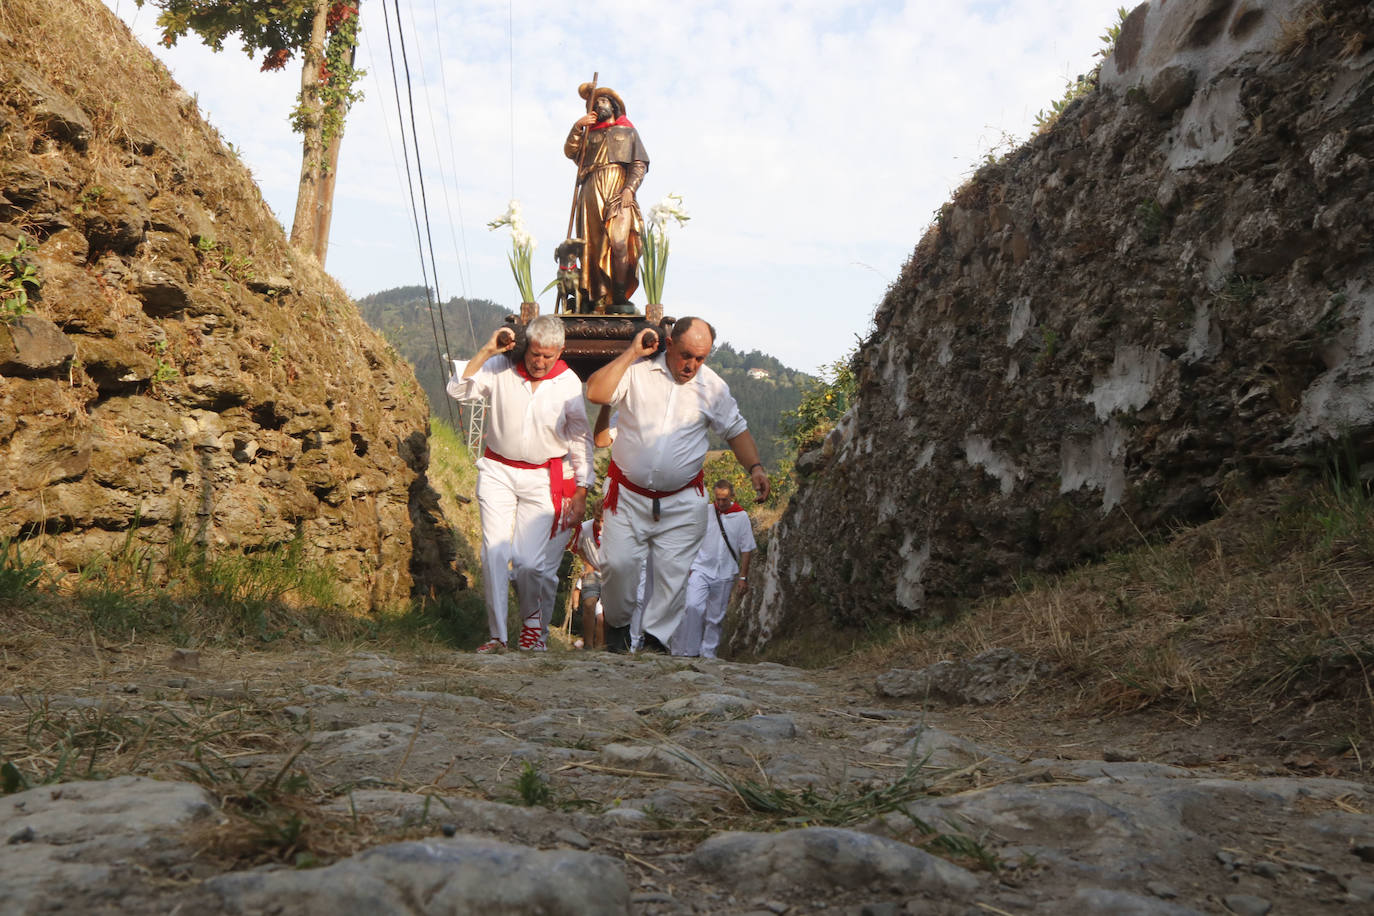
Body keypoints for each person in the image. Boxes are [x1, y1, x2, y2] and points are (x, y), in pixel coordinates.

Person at [585, 316, 769, 654]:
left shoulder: (712, 388)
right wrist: (630, 354)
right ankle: (618, 627)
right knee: (619, 564)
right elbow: (595, 392)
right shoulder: (637, 372)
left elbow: (736, 431)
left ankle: (655, 643)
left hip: (683, 500)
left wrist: (755, 467)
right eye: (686, 355)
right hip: (627, 495)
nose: (692, 365)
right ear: (669, 344)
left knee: (673, 573)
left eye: (701, 358)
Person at [447, 316, 593, 653]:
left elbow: (580, 438)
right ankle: (498, 636)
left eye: (548, 356)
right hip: (497, 470)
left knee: (529, 563)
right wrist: (486, 350)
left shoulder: (568, 382)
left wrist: (583, 488)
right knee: (495, 552)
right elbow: (457, 390)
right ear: (526, 347)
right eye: (535, 354)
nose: (540, 363)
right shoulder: (500, 367)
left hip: (543, 478)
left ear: (560, 352)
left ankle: (531, 624)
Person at [564, 83, 649, 313]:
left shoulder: (628, 132)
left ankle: (619, 295)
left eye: (603, 101)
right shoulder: (589, 135)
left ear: (613, 106)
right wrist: (577, 127)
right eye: (596, 102)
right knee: (592, 243)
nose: (599, 105)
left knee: (619, 242)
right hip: (591, 187)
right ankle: (597, 297)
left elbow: (639, 163)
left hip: (619, 188)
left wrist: (630, 188)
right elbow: (571, 151)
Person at [673, 480, 756, 659]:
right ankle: (691, 650)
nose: (720, 503)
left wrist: (743, 577)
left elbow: (747, 548)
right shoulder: (707, 512)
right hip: (701, 568)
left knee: (715, 617)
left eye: (724, 500)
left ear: (732, 497)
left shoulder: (741, 517)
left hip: (725, 571)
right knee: (693, 606)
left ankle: (708, 653)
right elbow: (691, 537)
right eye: (717, 499)